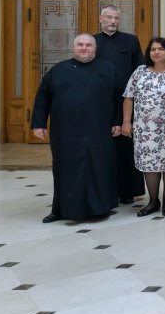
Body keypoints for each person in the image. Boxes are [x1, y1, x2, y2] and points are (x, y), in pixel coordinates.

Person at [31, 34, 124, 222]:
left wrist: (118, 122)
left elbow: (119, 99)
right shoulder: (58, 70)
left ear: (95, 48)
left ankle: (100, 208)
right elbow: (43, 97)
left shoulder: (108, 69)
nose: (84, 48)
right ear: (73, 47)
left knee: (98, 168)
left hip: (99, 130)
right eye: (80, 44)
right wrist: (38, 124)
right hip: (65, 131)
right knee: (65, 169)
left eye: (88, 45)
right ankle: (60, 210)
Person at [122, 38, 165, 217]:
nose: (156, 52)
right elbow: (128, 97)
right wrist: (127, 121)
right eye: (153, 49)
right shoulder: (140, 71)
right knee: (150, 166)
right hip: (144, 129)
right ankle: (153, 200)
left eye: (161, 49)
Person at [93, 4, 143, 205]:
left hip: (126, 102)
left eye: (116, 18)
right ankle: (105, 191)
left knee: (125, 150)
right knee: (102, 151)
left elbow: (138, 70)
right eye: (109, 17)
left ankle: (128, 192)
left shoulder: (130, 41)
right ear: (101, 19)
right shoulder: (93, 42)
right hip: (99, 104)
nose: (113, 21)